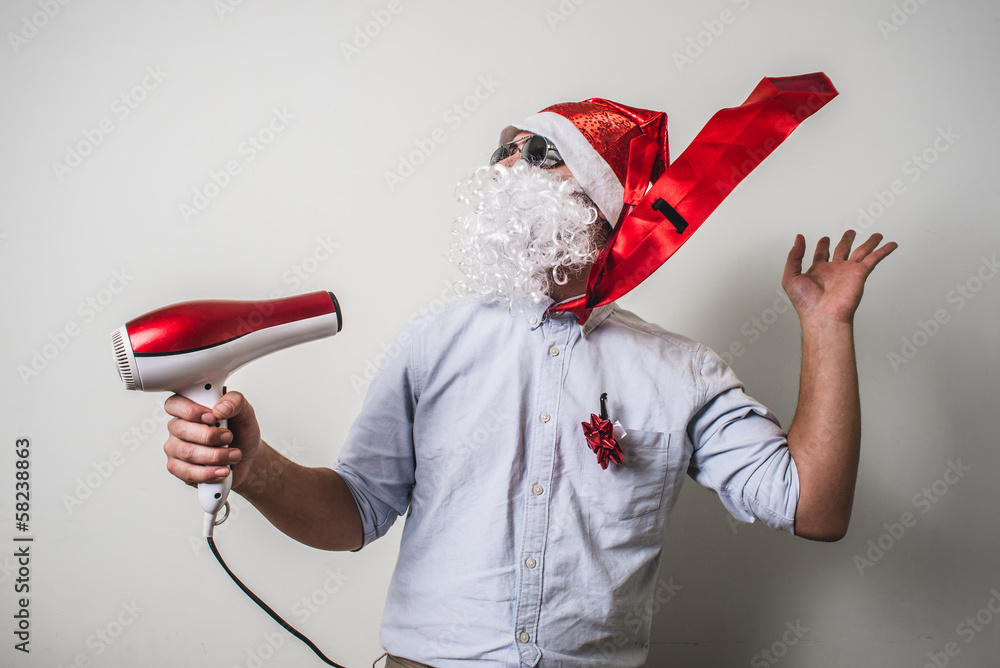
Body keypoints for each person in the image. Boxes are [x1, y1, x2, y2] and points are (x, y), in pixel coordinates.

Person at [163, 92, 896, 667]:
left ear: (609, 204)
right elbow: (354, 512)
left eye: (540, 153)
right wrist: (251, 467)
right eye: (503, 149)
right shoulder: (435, 341)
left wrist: (826, 328)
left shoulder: (684, 372)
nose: (506, 166)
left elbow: (815, 509)